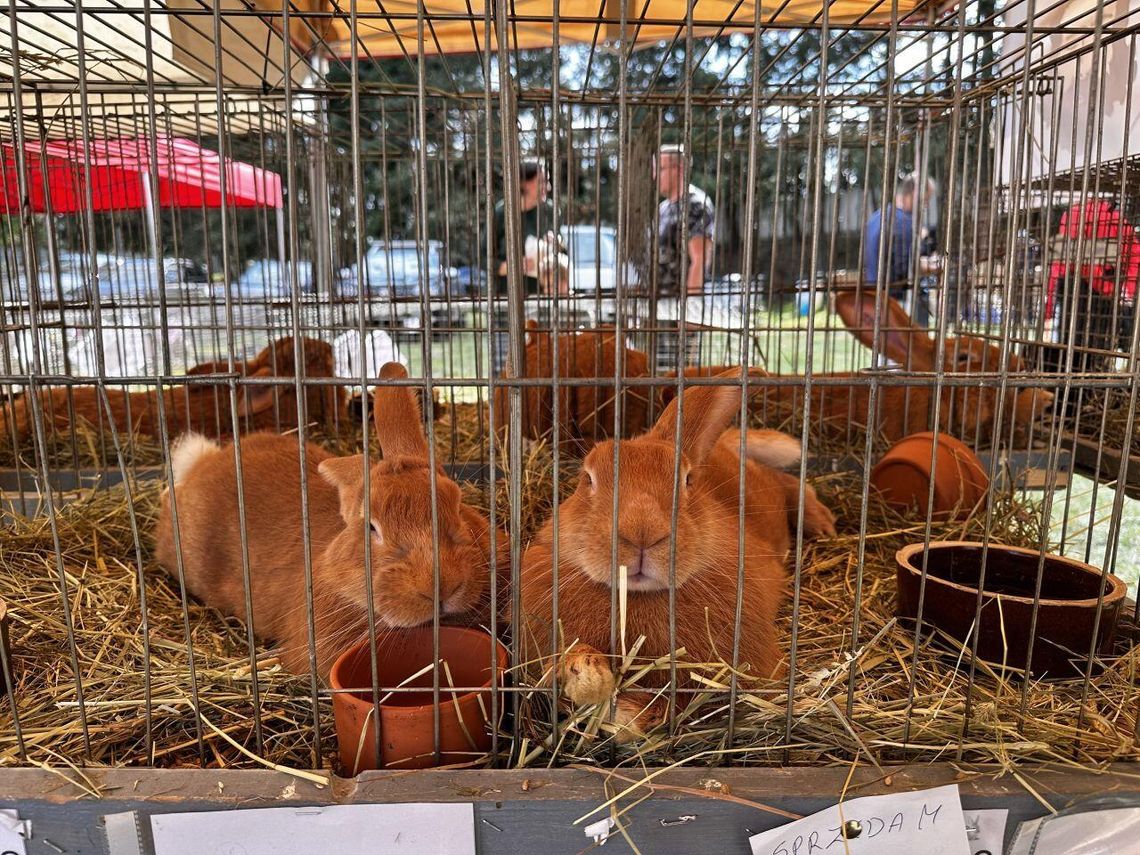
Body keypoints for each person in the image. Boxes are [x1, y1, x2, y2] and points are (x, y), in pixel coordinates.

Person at [863, 174, 940, 327]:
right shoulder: (903, 223)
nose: (925, 207)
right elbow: (903, 269)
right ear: (914, 193)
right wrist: (933, 267)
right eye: (924, 201)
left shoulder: (876, 218)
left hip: (876, 301)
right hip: (898, 305)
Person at [654, 144, 715, 296]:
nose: (655, 176)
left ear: (679, 169)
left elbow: (699, 260)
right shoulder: (664, 207)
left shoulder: (696, 205)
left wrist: (689, 309)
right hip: (661, 303)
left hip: (679, 307)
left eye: (660, 169)